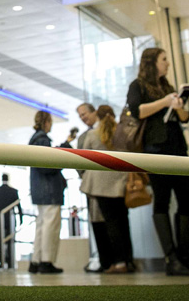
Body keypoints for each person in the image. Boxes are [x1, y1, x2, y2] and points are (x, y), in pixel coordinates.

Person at [127, 47, 189, 276]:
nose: (168, 63)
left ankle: (185, 256)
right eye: (164, 59)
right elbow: (137, 111)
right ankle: (171, 258)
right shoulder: (138, 86)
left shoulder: (168, 86)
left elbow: (183, 118)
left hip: (178, 149)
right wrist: (164, 102)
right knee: (162, 200)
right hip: (155, 150)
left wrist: (178, 106)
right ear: (152, 62)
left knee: (187, 199)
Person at [79, 104, 134, 273]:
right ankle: (128, 261)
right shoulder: (122, 132)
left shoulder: (93, 134)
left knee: (110, 223)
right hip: (120, 183)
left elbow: (84, 157)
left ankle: (118, 263)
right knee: (123, 222)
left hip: (100, 185)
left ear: (97, 115)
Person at [28, 110, 76, 274]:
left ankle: (36, 261)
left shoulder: (34, 140)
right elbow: (47, 165)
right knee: (50, 227)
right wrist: (63, 155)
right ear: (47, 122)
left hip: (39, 190)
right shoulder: (43, 140)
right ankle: (46, 261)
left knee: (41, 226)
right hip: (49, 190)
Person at [76, 103, 115, 273]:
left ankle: (113, 261)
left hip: (107, 185)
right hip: (94, 187)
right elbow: (79, 162)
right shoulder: (84, 136)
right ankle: (107, 261)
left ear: (94, 112)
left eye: (84, 114)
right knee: (99, 223)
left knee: (110, 223)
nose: (83, 118)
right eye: (80, 116)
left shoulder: (103, 132)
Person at [0, 173, 23, 269]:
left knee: (0, 241)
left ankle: (2, 261)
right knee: (10, 240)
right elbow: (18, 207)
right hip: (10, 220)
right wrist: (21, 219)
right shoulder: (13, 191)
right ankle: (9, 261)